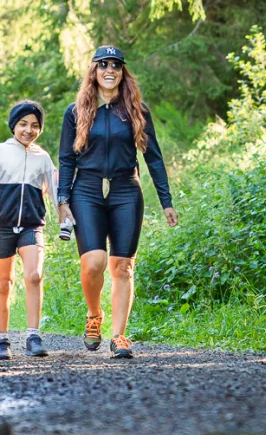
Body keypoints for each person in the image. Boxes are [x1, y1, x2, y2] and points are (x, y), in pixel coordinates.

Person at [58, 45, 178, 359]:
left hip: (126, 190)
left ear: (123, 72)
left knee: (122, 267)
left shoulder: (138, 111)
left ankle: (119, 336)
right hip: (86, 190)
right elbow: (66, 159)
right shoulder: (76, 112)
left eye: (116, 65)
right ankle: (94, 314)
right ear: (94, 71)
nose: (109, 71)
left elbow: (154, 158)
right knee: (94, 262)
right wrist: (62, 199)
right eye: (103, 65)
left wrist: (166, 201)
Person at [0, 99, 58, 361]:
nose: (28, 130)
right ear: (13, 126)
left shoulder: (42, 158)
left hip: (32, 224)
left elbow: (56, 191)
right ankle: (2, 339)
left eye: (34, 125)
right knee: (4, 283)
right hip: (2, 225)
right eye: (23, 124)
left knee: (34, 275)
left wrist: (68, 214)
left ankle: (33, 336)